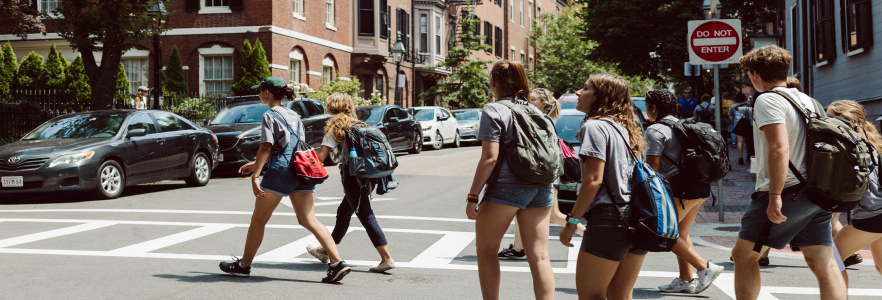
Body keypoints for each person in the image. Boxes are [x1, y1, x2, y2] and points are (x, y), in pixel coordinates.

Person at [731, 45, 846, 300]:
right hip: (817, 190)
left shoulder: (767, 99)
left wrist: (774, 196)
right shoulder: (810, 100)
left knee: (743, 255)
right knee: (822, 260)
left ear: (755, 73)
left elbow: (779, 148)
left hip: (788, 190)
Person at [218, 76, 351, 283]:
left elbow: (266, 147)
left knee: (258, 220)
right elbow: (294, 147)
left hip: (280, 171)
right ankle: (336, 263)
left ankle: (244, 265)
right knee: (309, 219)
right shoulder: (295, 116)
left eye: (259, 90)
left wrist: (255, 176)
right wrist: (257, 163)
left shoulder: (270, 115)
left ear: (267, 93)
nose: (258, 93)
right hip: (300, 170)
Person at [467, 60, 556, 300]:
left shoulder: (494, 109)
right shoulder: (538, 111)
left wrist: (473, 196)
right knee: (539, 256)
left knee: (486, 252)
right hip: (542, 187)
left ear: (494, 82)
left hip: (507, 188)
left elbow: (489, 158)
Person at [558, 73, 647, 299]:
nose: (578, 92)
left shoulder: (594, 127)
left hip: (611, 217)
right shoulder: (626, 127)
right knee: (620, 295)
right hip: (640, 215)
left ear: (601, 97)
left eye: (585, 88)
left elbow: (593, 180)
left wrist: (572, 222)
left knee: (591, 295)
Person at [643, 90, 724, 294]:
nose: (646, 110)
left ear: (654, 108)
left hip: (679, 190)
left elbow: (652, 164)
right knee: (681, 232)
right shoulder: (685, 126)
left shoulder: (655, 130)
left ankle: (705, 268)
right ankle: (686, 280)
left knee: (663, 233)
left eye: (647, 106)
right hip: (700, 187)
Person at [498, 88, 586, 260]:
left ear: (543, 104)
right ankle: (518, 248)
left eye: (533, 100)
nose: (527, 102)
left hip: (546, 173)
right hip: (542, 171)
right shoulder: (535, 118)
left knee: (555, 216)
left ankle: (591, 237)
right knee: (521, 210)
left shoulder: (542, 119)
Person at [313, 92, 396, 273]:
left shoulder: (335, 127)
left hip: (353, 177)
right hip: (367, 176)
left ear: (331, 106)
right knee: (343, 212)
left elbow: (321, 157)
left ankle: (386, 258)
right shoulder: (358, 124)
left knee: (365, 215)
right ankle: (325, 250)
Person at [827, 100, 882, 283]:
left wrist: (834, 216)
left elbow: (848, 186)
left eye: (830, 118)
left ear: (845, 120)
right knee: (881, 266)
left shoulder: (850, 147)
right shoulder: (869, 143)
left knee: (831, 261)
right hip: (876, 213)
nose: (825, 122)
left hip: (871, 215)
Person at [729, 93, 750, 166]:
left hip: (738, 124)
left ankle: (740, 157)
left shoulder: (733, 106)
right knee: (747, 141)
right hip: (747, 124)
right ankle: (748, 156)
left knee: (739, 141)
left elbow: (730, 117)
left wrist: (734, 124)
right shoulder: (747, 105)